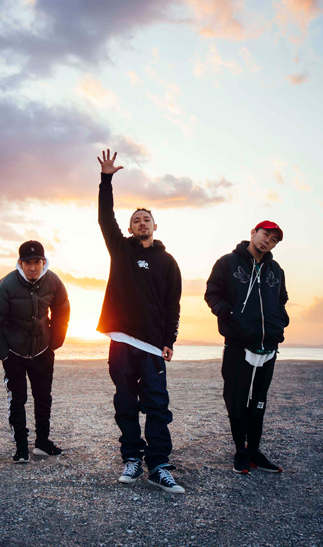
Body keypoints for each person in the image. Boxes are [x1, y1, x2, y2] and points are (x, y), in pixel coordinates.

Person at [96, 150, 184, 494]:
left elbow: (173, 305)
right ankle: (132, 458)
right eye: (136, 220)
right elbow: (105, 217)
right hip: (121, 340)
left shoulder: (168, 262)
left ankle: (158, 466)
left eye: (146, 219)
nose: (141, 223)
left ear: (155, 226)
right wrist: (106, 179)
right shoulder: (121, 250)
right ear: (130, 228)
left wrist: (169, 340)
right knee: (125, 403)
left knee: (157, 406)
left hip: (151, 345)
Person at [204, 221, 289, 475]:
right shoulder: (228, 263)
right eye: (265, 234)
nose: (267, 241)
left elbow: (282, 299)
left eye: (273, 240)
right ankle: (240, 451)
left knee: (259, 402)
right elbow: (212, 293)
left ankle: (254, 451)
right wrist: (229, 314)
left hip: (269, 345)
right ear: (253, 233)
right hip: (238, 343)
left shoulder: (276, 269)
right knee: (236, 399)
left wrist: (280, 320)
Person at [0, 240, 70, 464]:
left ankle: (42, 442)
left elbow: (62, 310)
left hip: (43, 350)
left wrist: (55, 342)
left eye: (37, 262)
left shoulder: (53, 282)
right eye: (28, 263)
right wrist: (3, 354)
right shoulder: (6, 285)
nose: (33, 267)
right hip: (15, 352)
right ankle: (21, 447)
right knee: (17, 399)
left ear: (43, 262)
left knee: (43, 397)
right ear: (20, 263)